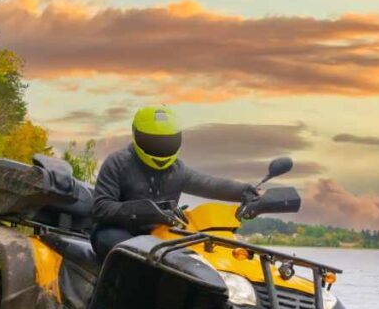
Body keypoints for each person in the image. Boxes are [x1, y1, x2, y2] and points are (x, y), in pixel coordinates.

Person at [91, 105, 259, 259]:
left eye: (166, 141)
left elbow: (208, 184)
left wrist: (244, 191)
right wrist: (146, 211)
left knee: (196, 261)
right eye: (153, 141)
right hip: (114, 231)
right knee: (134, 256)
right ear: (136, 134)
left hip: (162, 236)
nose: (160, 147)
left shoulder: (176, 169)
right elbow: (101, 207)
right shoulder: (118, 163)